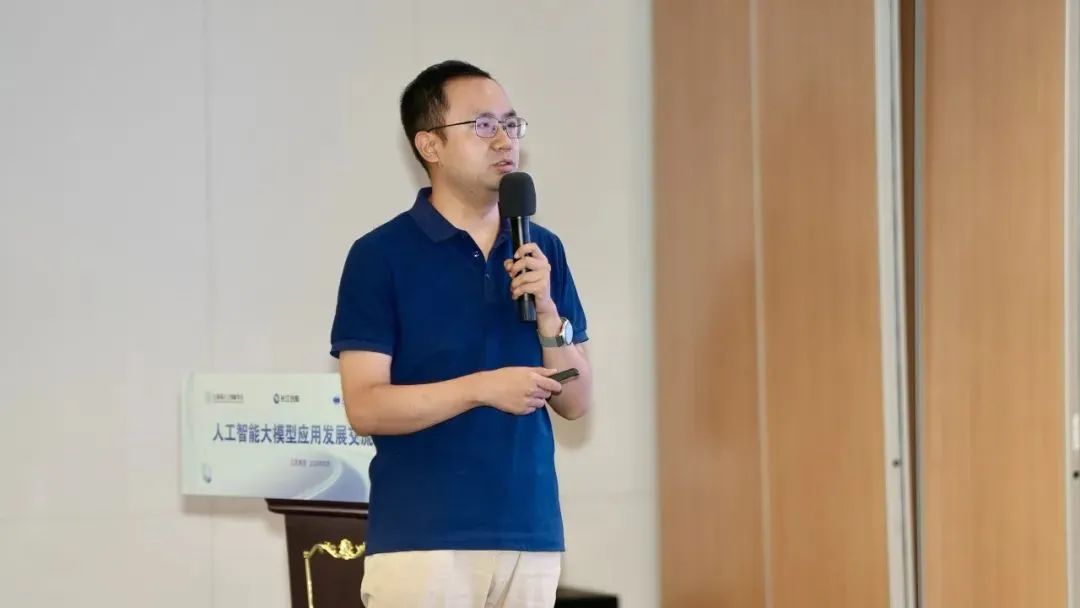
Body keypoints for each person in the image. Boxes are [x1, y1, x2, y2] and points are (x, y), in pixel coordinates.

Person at [330, 60, 593, 608]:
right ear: (430, 144)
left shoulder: (543, 248)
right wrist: (481, 388)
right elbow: (366, 406)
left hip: (530, 533)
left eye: (511, 124)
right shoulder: (380, 256)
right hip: (424, 541)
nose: (504, 140)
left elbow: (576, 400)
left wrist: (549, 313)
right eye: (482, 125)